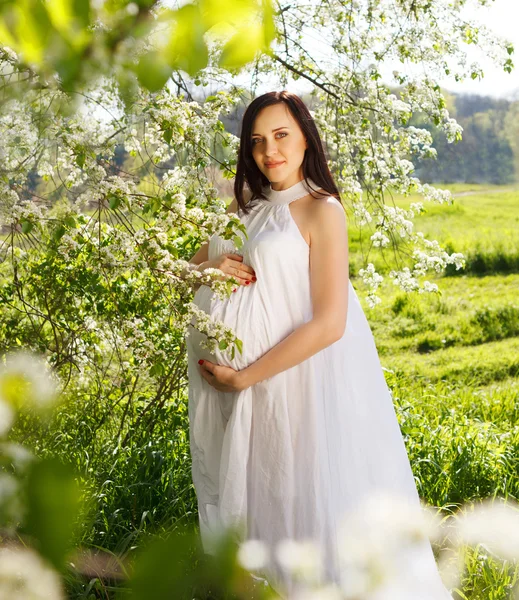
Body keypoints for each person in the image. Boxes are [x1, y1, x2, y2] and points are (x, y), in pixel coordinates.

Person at [185, 91, 452, 598]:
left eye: (281, 135)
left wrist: (245, 375)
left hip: (290, 386)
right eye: (258, 140)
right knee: (253, 502)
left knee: (298, 500)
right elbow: (183, 272)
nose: (270, 151)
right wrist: (209, 267)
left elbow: (331, 322)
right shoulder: (242, 206)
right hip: (233, 396)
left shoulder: (321, 210)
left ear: (305, 136)